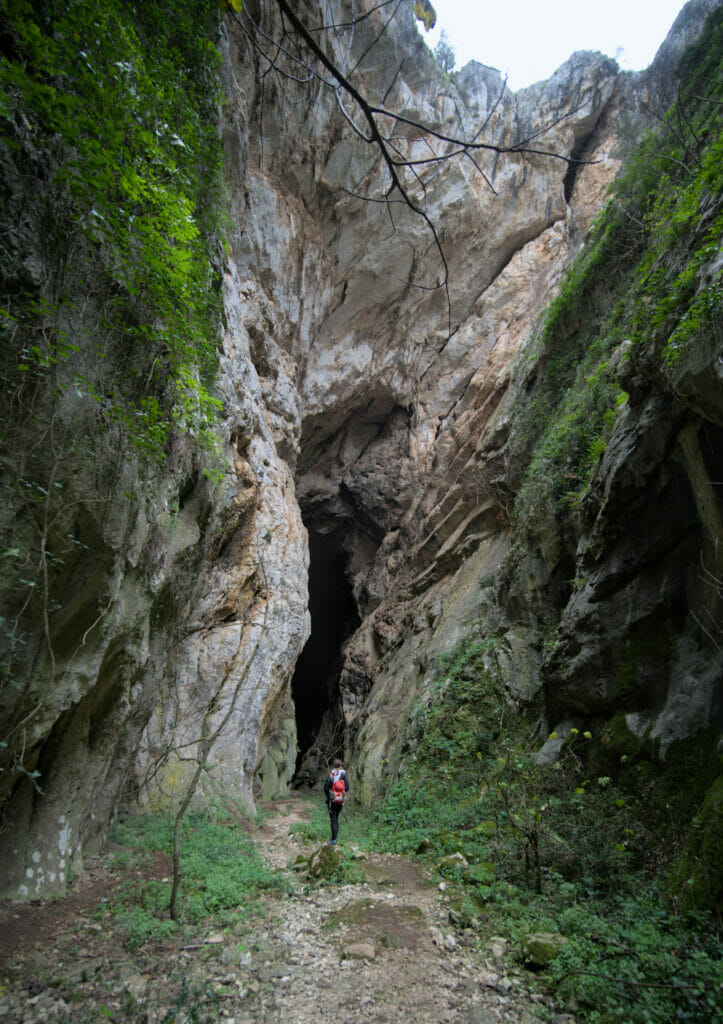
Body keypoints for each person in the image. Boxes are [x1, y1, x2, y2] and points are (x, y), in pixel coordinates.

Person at [323, 758, 349, 845]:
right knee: (336, 818)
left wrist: (329, 796)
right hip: (340, 800)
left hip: (332, 801)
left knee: (333, 819)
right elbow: (347, 788)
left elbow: (326, 788)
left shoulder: (331, 775)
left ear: (333, 766)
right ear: (341, 765)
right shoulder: (344, 775)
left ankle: (333, 840)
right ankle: (335, 838)